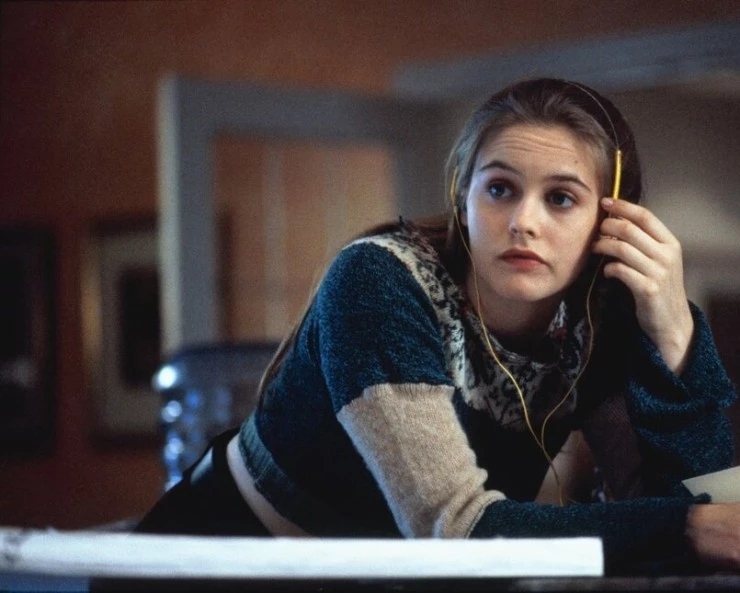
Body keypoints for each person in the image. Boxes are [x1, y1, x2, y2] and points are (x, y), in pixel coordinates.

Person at [135, 77, 739, 576]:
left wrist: (675, 333)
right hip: (220, 559)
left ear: (613, 221)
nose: (523, 221)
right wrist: (683, 528)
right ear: (462, 199)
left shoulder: (599, 319)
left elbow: (719, 521)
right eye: (499, 189)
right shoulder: (379, 282)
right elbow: (454, 530)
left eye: (561, 198)